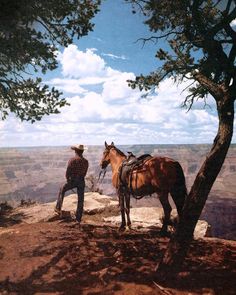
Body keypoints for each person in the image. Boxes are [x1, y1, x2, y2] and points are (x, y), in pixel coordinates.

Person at [55, 144, 89, 223]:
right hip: (81, 181)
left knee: (62, 189)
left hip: (73, 180)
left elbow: (68, 172)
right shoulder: (86, 161)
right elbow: (85, 173)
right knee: (81, 199)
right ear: (82, 151)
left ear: (76, 151)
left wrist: (68, 180)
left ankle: (58, 208)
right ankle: (78, 218)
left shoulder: (72, 160)